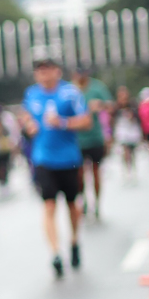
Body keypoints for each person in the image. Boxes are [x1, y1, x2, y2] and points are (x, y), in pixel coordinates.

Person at [19, 50, 89, 279]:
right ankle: (56, 252)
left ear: (57, 72)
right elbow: (25, 115)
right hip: (43, 159)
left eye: (47, 69)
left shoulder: (70, 93)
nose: (44, 74)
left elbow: (86, 121)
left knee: (72, 205)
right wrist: (28, 124)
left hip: (69, 158)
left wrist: (63, 122)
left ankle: (74, 241)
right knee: (49, 205)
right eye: (39, 70)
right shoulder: (32, 94)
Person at [71, 68, 112, 220]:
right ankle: (83, 202)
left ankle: (97, 204)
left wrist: (99, 105)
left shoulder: (97, 87)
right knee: (79, 175)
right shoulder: (69, 90)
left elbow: (110, 105)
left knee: (95, 172)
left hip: (95, 138)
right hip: (77, 140)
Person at [0, 106, 19, 194]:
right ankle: (0, 181)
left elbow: (13, 134)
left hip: (5, 149)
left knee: (5, 166)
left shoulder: (7, 122)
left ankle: (5, 181)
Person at [112, 85, 141, 177]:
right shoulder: (116, 107)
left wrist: (132, 116)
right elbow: (113, 119)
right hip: (122, 131)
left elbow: (138, 117)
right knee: (125, 150)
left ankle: (133, 169)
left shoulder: (132, 105)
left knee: (132, 151)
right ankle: (126, 170)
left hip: (132, 131)